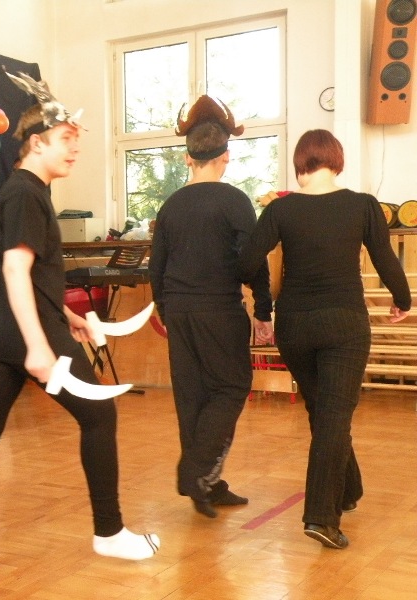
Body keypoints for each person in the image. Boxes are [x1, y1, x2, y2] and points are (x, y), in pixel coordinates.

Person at [0, 73, 160, 580]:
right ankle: (109, 532)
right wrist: (37, 345)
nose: (75, 149)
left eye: (76, 140)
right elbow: (12, 270)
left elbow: (26, 274)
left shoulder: (22, 192)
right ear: (36, 143)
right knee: (100, 417)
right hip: (20, 335)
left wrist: (64, 314)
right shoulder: (26, 195)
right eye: (65, 139)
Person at [238, 129, 411, 549]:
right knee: (334, 417)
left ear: (301, 164)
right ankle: (320, 517)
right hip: (344, 325)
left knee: (324, 410)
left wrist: (263, 304)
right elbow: (385, 259)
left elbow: (245, 263)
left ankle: (348, 489)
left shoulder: (280, 209)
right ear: (336, 161)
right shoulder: (363, 205)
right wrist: (402, 300)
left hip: (294, 327)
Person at [148, 95, 273, 519]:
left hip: (180, 312)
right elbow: (252, 261)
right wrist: (263, 309)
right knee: (232, 387)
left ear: (188, 157)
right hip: (219, 310)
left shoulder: (169, 206)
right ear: (226, 156)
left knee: (193, 398)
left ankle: (207, 484)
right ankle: (195, 472)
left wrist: (165, 311)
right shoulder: (235, 201)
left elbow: (157, 268)